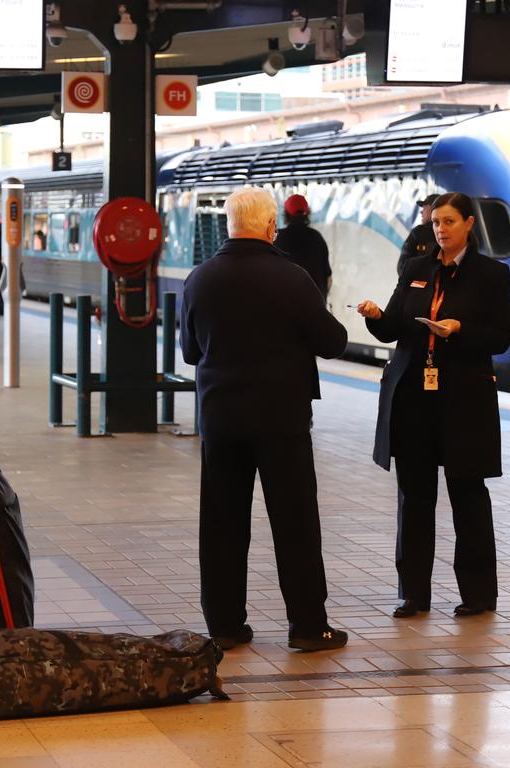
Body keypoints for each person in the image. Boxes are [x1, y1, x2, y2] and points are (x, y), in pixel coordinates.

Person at [180, 186, 349, 653]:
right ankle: (309, 627)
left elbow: (191, 350)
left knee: (222, 523)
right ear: (271, 226)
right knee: (294, 522)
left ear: (229, 225)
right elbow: (332, 340)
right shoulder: (292, 278)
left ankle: (225, 626)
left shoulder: (199, 279)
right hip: (282, 419)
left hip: (220, 419)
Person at [354, 192, 510, 619]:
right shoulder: (416, 269)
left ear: (468, 225)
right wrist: (374, 316)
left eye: (448, 221)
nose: (440, 229)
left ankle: (479, 595)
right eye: (435, 222)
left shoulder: (491, 274)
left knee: (468, 496)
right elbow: (393, 328)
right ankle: (413, 594)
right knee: (414, 497)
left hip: (463, 400)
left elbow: (501, 337)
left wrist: (459, 330)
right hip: (413, 400)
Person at [274, 194, 332, 301]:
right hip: (315, 308)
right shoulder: (317, 238)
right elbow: (329, 279)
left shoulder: (277, 239)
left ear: (286, 214)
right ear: (307, 213)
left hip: (285, 308)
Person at [397, 194, 439, 276]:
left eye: (424, 208)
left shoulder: (418, 232)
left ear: (432, 209)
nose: (421, 212)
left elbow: (402, 268)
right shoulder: (453, 233)